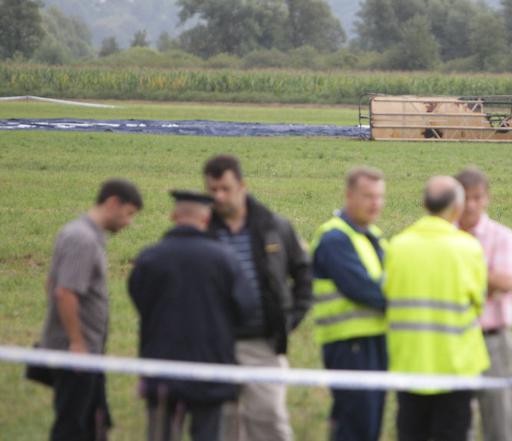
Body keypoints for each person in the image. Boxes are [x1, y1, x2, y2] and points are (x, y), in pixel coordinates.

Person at [128, 190, 257, 441]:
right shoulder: (225, 259)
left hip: (160, 368)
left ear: (173, 216)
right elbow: (247, 307)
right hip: (211, 371)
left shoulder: (149, 258)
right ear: (206, 219)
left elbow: (139, 300)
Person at [203, 154, 313, 441]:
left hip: (263, 345)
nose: (219, 196)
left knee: (268, 422)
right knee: (222, 427)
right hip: (215, 347)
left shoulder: (274, 226)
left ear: (242, 186)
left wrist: (289, 319)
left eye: (225, 189)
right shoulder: (202, 231)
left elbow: (304, 274)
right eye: (212, 190)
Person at [384, 176, 489, 441]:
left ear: (423, 204)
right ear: (458, 207)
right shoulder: (468, 248)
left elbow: (386, 294)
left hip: (409, 362)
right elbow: (478, 302)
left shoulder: (397, 245)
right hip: (456, 365)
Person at [38, 178, 142, 441]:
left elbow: (51, 284)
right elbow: (65, 292)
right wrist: (76, 342)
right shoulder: (82, 239)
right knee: (72, 428)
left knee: (95, 424)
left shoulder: (81, 233)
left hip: (86, 351)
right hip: (77, 354)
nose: (129, 222)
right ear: (113, 203)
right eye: (129, 214)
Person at [311, 166, 388, 441]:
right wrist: (405, 300)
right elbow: (365, 290)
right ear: (349, 196)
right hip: (349, 344)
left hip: (374, 340)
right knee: (356, 424)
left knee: (369, 423)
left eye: (379, 197)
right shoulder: (335, 238)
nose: (375, 203)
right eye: (368, 196)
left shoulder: (372, 235)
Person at [456, 168, 512, 441]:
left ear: (487, 198)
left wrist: (460, 274)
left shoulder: (502, 236)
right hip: (453, 340)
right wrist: (486, 280)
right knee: (457, 425)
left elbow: (507, 282)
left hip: (492, 340)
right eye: (465, 197)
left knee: (499, 422)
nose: (471, 205)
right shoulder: (445, 236)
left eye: (477, 197)